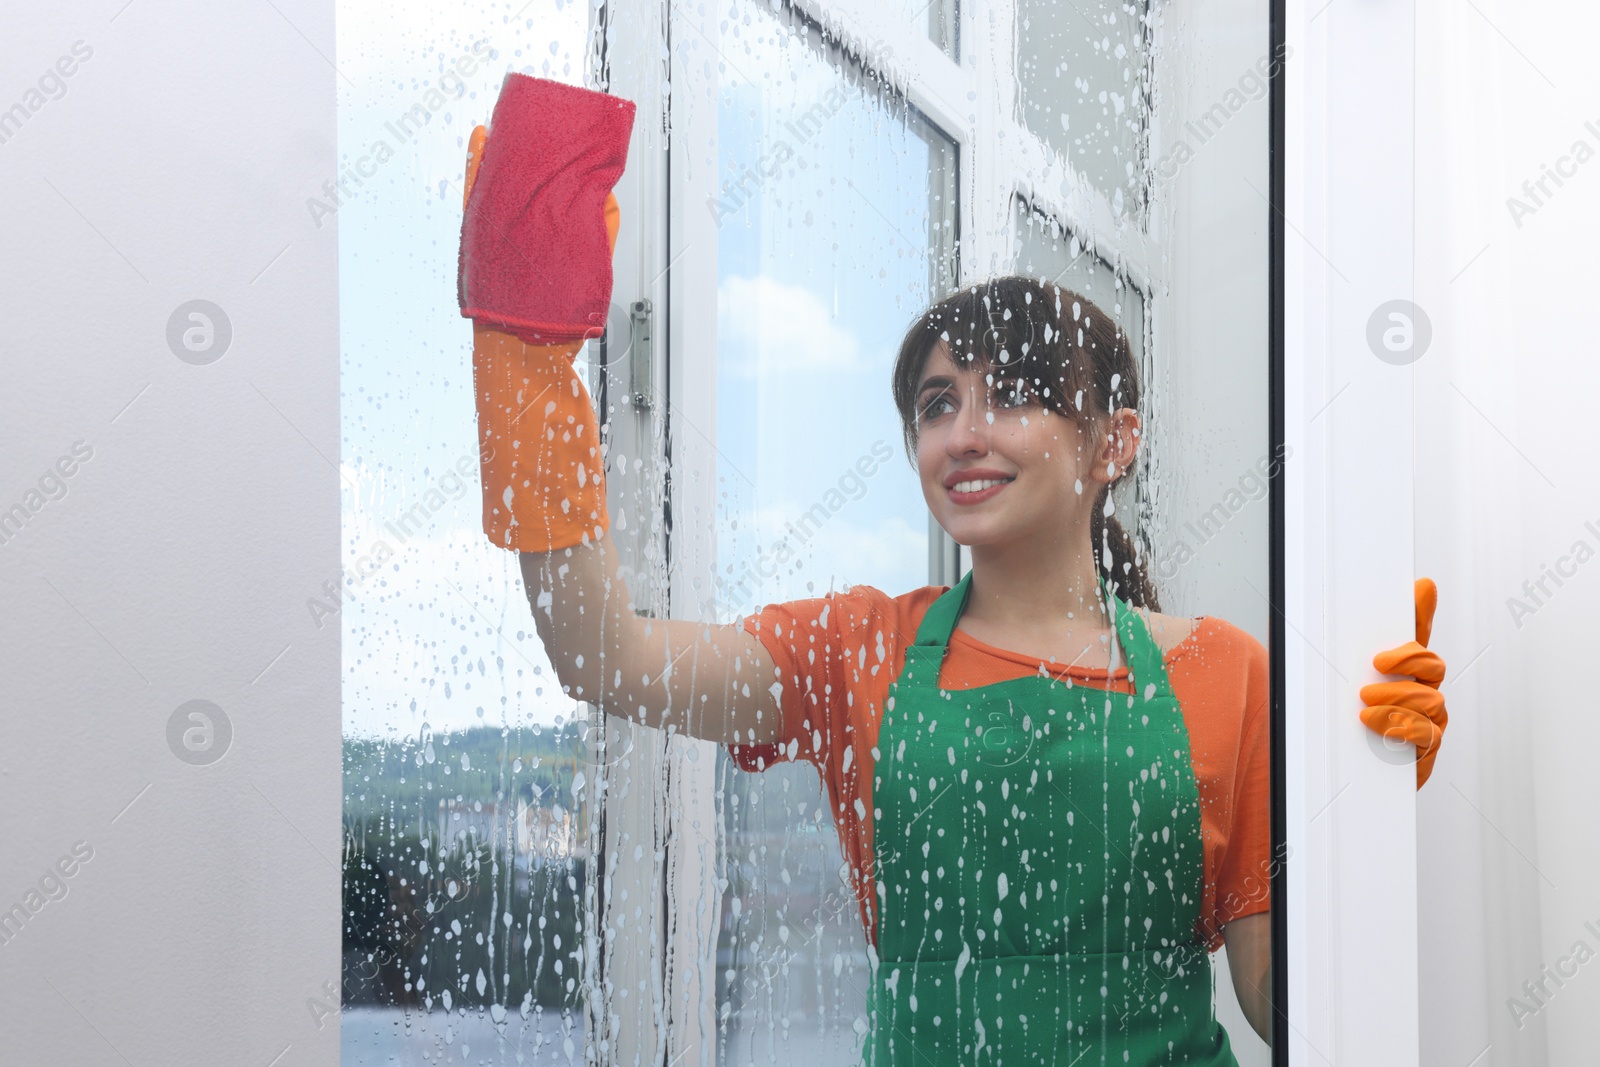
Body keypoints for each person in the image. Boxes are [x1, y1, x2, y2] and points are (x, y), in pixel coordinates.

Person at [457, 88, 1449, 1064]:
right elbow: (602, 654)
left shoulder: (1224, 674)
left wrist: (1365, 801)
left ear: (1114, 441)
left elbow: (1286, 1009)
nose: (964, 434)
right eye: (938, 403)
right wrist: (527, 359)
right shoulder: (858, 650)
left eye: (1011, 394)